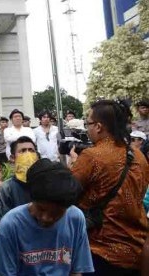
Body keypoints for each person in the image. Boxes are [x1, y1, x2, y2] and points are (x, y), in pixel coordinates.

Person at [69, 99, 149, 275]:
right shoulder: (139, 156)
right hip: (138, 249)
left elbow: (67, 192)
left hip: (100, 250)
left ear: (98, 127)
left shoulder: (91, 156)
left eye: (87, 123)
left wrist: (74, 164)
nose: (87, 128)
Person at [0, 158, 94, 275]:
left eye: (56, 213)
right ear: (32, 199)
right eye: (41, 209)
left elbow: (76, 271)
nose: (46, 218)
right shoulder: (10, 225)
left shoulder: (75, 219)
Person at [0, 136, 39, 222]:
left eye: (31, 150)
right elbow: (1, 221)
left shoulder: (46, 183)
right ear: (12, 158)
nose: (28, 154)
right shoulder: (6, 189)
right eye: (23, 151)